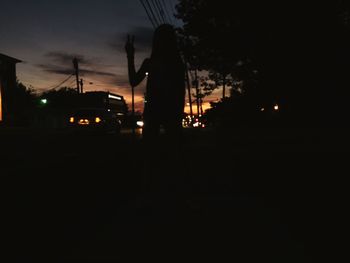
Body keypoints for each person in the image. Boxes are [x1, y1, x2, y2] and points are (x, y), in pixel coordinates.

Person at [125, 24, 186, 142]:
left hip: (158, 110)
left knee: (153, 146)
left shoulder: (155, 63)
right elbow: (180, 92)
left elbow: (133, 81)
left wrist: (130, 56)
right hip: (167, 110)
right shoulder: (176, 64)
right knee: (169, 144)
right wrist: (130, 56)